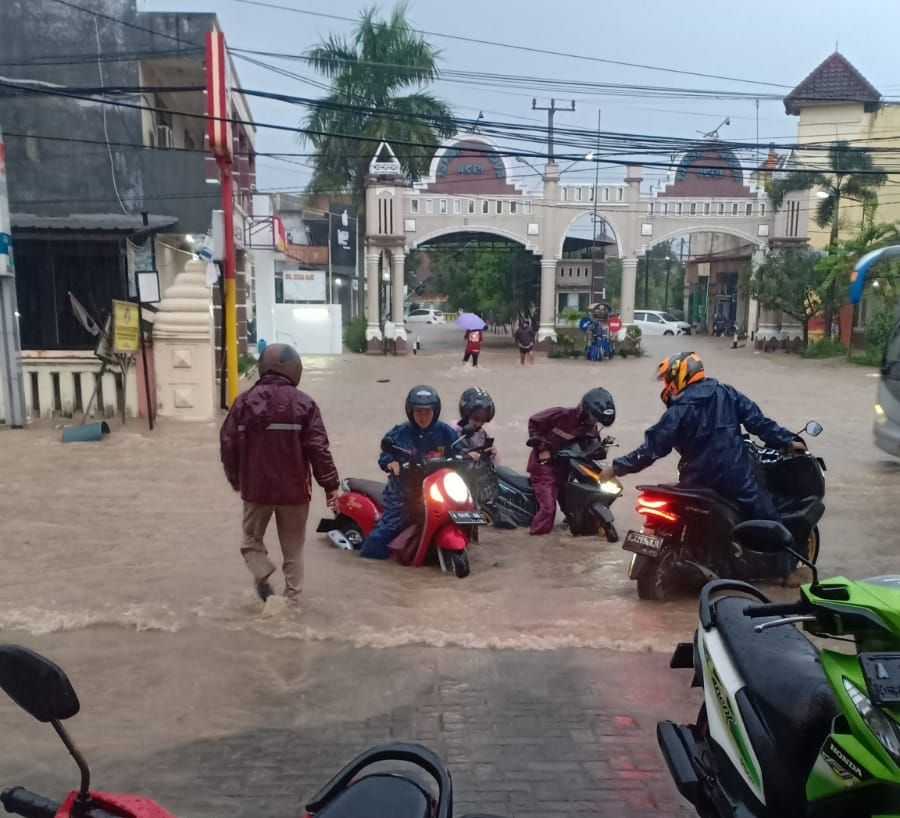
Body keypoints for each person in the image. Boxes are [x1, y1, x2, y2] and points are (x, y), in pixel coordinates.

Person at [598, 352, 805, 572]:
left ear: (681, 375)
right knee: (770, 519)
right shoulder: (727, 394)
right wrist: (789, 441)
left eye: (669, 379)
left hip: (694, 479)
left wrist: (616, 468)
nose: (667, 385)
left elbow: (651, 450)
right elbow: (759, 423)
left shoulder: (678, 411)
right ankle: (786, 571)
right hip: (735, 478)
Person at [220, 343, 340, 604]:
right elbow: (319, 449)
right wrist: (331, 486)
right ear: (295, 369)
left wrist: (235, 479)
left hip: (256, 489)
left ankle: (262, 571)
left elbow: (228, 443)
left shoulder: (243, 403)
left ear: (263, 367)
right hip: (295, 492)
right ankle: (292, 603)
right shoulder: (305, 404)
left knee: (251, 543)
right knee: (294, 551)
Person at [359, 385, 459, 560]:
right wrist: (391, 462)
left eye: (427, 412)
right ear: (410, 412)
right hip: (404, 491)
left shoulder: (446, 432)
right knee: (388, 528)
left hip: (437, 490)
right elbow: (386, 453)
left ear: (435, 412)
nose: (422, 416)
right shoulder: (400, 433)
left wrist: (471, 455)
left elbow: (459, 451)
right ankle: (368, 559)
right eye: (418, 412)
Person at [526, 388, 617, 535]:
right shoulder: (561, 415)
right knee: (548, 509)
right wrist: (543, 449)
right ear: (584, 410)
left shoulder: (591, 428)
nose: (594, 422)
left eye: (597, 420)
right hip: (544, 467)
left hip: (568, 470)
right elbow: (534, 422)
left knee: (575, 505)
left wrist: (601, 450)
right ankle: (537, 538)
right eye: (593, 417)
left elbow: (590, 451)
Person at [455, 387, 511, 528]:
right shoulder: (452, 431)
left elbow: (496, 466)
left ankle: (473, 525)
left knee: (492, 521)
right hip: (457, 479)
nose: (479, 423)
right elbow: (444, 453)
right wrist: (466, 455)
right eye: (475, 419)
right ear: (466, 414)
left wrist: (491, 453)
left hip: (476, 483)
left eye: (483, 420)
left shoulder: (483, 434)